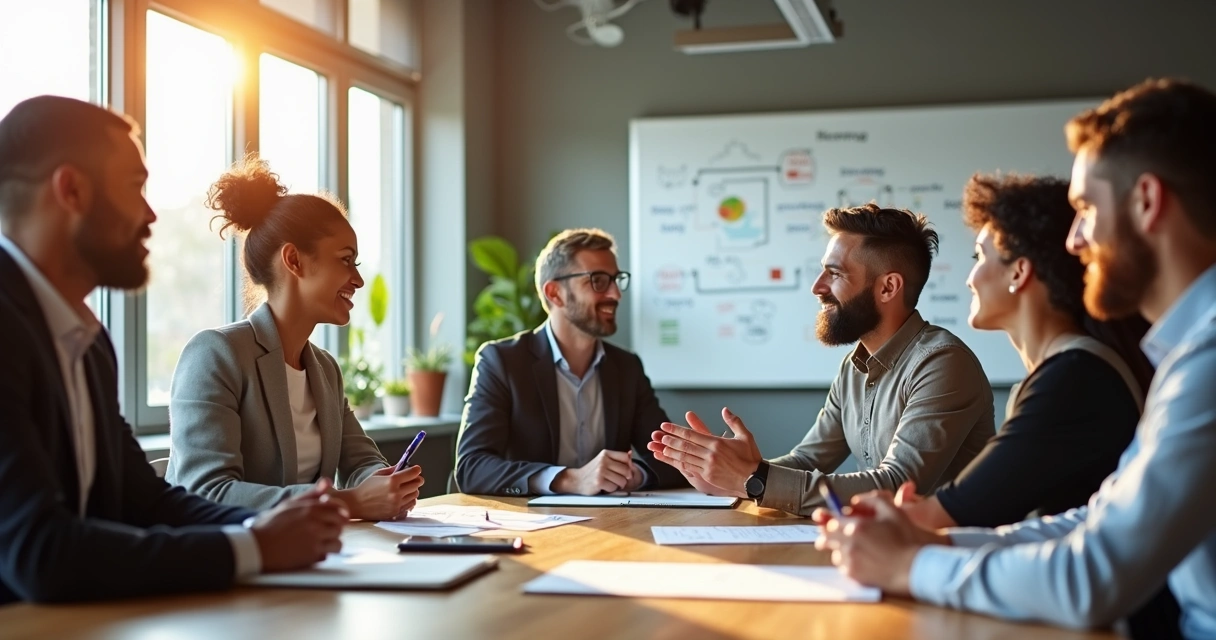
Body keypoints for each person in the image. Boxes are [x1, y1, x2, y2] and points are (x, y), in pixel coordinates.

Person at [816, 78, 1216, 639]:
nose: (1075, 241)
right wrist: (935, 546)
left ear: (1147, 202)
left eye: (1085, 209)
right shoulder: (1187, 351)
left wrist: (913, 562)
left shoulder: (1202, 361)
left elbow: (1093, 574)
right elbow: (1097, 522)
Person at [0, 96, 347, 604]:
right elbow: (40, 552)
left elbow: (145, 501)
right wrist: (253, 547)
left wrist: (277, 527)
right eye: (134, 187)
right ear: (71, 190)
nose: (150, 213)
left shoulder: (88, 345)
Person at [648, 204, 996, 516]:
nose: (817, 286)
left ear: (888, 288)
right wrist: (730, 476)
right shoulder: (853, 367)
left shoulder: (942, 364)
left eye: (835, 273)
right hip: (885, 547)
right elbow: (806, 461)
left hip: (950, 556)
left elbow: (897, 485)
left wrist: (752, 478)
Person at [167, 156, 423, 520]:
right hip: (224, 564)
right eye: (346, 260)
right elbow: (207, 492)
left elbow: (362, 460)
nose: (358, 280)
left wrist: (384, 483)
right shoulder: (215, 355)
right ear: (294, 260)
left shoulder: (324, 369)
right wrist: (350, 502)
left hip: (305, 557)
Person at [897, 173, 1152, 531]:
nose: (970, 278)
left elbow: (953, 514)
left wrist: (908, 515)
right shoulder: (1067, 371)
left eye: (979, 256)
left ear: (1019, 272)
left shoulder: (1073, 380)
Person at [455, 228, 687, 496]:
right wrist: (569, 480)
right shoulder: (502, 362)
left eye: (616, 280)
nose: (615, 294)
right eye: (599, 281)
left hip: (612, 523)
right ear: (555, 293)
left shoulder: (627, 368)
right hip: (530, 527)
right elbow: (472, 468)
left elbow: (672, 460)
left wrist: (635, 475)